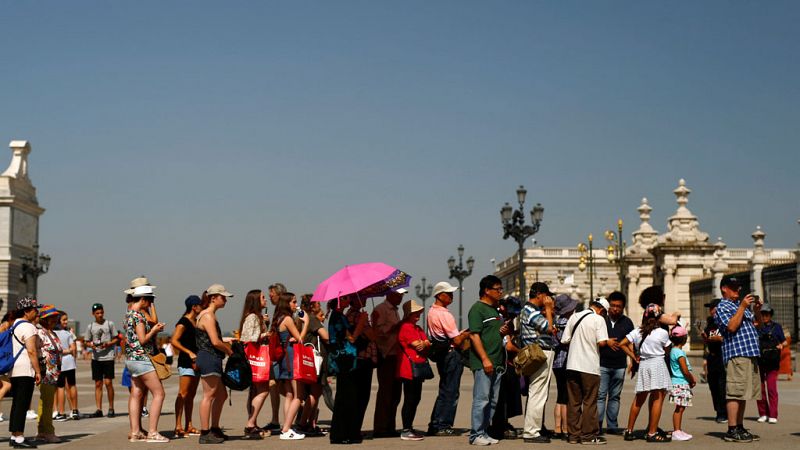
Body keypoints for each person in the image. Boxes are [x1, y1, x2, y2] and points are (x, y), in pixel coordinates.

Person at [714, 276, 762, 443]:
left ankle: (740, 427)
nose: (738, 291)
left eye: (738, 287)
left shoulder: (738, 306)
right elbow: (732, 326)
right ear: (724, 289)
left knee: (743, 393)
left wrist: (756, 310)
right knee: (735, 392)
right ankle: (732, 429)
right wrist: (742, 307)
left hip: (750, 353)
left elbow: (759, 325)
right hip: (736, 353)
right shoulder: (723, 306)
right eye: (733, 288)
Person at [467, 275, 511, 446]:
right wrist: (485, 359)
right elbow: (474, 335)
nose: (500, 292)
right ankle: (475, 434)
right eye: (497, 289)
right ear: (486, 290)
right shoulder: (477, 309)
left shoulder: (494, 310)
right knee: (482, 399)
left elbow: (490, 333)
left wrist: (502, 331)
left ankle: (484, 432)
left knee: (492, 400)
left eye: (501, 289)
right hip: (485, 362)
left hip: (497, 361)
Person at [560, 297, 609, 445]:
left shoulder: (574, 316)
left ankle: (573, 436)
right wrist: (608, 341)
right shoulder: (598, 320)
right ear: (602, 310)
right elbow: (602, 343)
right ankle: (588, 436)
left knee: (573, 402)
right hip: (589, 366)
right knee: (589, 402)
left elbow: (564, 340)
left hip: (572, 365)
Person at [124, 285, 168, 443]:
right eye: (150, 300)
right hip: (142, 359)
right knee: (159, 393)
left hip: (131, 359)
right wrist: (154, 330)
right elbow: (142, 339)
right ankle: (153, 432)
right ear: (142, 299)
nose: (150, 303)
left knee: (136, 394)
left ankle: (135, 432)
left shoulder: (128, 313)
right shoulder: (138, 316)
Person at [426, 281, 468, 437]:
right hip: (451, 354)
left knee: (444, 389)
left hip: (442, 354)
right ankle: (443, 424)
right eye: (448, 293)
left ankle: (435, 423)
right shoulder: (444, 314)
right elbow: (457, 340)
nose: (451, 296)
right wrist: (466, 334)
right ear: (440, 295)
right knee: (451, 391)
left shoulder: (431, 312)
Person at [196, 284, 234, 444]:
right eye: (223, 297)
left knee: (221, 395)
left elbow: (215, 340)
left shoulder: (208, 315)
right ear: (213, 298)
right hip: (209, 357)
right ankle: (205, 433)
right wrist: (230, 351)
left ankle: (215, 428)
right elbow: (215, 341)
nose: (225, 300)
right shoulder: (208, 316)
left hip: (211, 357)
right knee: (208, 396)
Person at [519, 282, 556, 444]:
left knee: (537, 391)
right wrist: (548, 310)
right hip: (540, 351)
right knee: (538, 392)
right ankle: (532, 431)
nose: (548, 299)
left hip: (536, 351)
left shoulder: (528, 311)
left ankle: (534, 427)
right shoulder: (531, 311)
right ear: (540, 295)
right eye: (546, 296)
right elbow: (548, 328)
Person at [272, 292, 310, 440]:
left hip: (284, 358)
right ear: (287, 303)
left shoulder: (279, 318)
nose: (296, 304)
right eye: (293, 302)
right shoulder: (287, 318)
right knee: (298, 395)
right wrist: (305, 322)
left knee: (289, 394)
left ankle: (286, 427)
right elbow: (300, 339)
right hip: (291, 357)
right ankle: (287, 428)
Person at [597, 291, 635, 435]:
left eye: (618, 306)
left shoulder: (627, 322)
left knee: (615, 396)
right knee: (600, 396)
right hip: (602, 364)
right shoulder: (601, 320)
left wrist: (633, 361)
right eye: (612, 305)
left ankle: (612, 425)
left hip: (620, 365)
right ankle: (598, 425)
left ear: (623, 307)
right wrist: (607, 342)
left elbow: (631, 343)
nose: (615, 309)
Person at [394, 300, 430, 441]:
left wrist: (425, 343)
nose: (418, 316)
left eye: (418, 313)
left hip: (416, 367)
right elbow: (418, 345)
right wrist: (424, 343)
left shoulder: (417, 328)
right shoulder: (406, 327)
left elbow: (427, 343)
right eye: (415, 313)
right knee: (410, 398)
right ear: (408, 314)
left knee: (415, 398)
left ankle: (409, 427)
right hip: (408, 368)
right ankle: (406, 429)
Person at [328, 295, 362, 444]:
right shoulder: (338, 317)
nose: (349, 301)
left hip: (344, 360)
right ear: (339, 300)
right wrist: (361, 324)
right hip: (344, 361)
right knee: (346, 396)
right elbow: (351, 338)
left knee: (345, 396)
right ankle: (343, 434)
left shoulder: (338, 315)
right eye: (346, 298)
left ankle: (342, 433)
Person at [237, 289, 270, 439]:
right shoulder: (252, 317)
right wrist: (265, 334)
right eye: (263, 297)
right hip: (255, 357)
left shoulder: (255, 317)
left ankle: (253, 422)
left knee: (255, 391)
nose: (266, 300)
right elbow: (249, 338)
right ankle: (250, 423)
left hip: (252, 357)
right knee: (263, 390)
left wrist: (264, 324)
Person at [9, 298, 42, 449]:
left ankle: (14, 435)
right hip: (25, 370)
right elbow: (31, 351)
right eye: (35, 310)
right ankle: (19, 437)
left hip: (14, 369)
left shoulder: (15, 325)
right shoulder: (28, 327)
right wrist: (38, 371)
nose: (37, 313)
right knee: (22, 404)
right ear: (27, 311)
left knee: (17, 404)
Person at [371, 290, 403, 438]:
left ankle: (390, 425)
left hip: (396, 355)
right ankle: (381, 427)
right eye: (398, 294)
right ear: (390, 294)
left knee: (395, 394)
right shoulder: (381, 309)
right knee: (386, 393)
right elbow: (379, 333)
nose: (401, 297)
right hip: (386, 355)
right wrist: (397, 326)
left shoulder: (395, 311)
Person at [171, 295, 203, 438]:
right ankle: (177, 425)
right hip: (186, 361)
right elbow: (174, 341)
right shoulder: (183, 322)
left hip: (196, 362)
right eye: (200, 305)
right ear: (194, 307)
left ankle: (189, 424)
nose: (201, 307)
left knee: (191, 395)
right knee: (183, 394)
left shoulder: (196, 321)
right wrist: (188, 352)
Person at [345, 295, 377, 438]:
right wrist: (369, 323)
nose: (364, 299)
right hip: (362, 358)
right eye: (361, 297)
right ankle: (354, 429)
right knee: (362, 396)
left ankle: (354, 428)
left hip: (358, 358)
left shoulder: (350, 314)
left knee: (357, 395)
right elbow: (371, 336)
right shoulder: (357, 315)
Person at [298, 295, 329, 436]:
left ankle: (310, 424)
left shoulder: (302, 318)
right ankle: (304, 423)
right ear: (312, 306)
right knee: (315, 393)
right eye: (317, 303)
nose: (319, 305)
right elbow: (325, 336)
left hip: (308, 359)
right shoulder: (312, 319)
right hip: (317, 360)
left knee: (312, 392)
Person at [551, 294, 578, 441]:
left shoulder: (555, 322)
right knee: (566, 397)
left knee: (560, 396)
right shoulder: (568, 323)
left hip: (556, 362)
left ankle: (557, 427)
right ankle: (566, 428)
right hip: (566, 362)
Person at [83, 303, 118, 418]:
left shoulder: (110, 324)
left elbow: (116, 338)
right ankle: (99, 409)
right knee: (98, 383)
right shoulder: (90, 326)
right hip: (96, 358)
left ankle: (111, 407)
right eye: (97, 313)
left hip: (108, 357)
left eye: (101, 312)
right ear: (93, 314)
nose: (100, 315)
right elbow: (87, 341)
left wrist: (109, 343)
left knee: (108, 383)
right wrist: (91, 345)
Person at [35, 305, 63, 443]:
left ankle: (41, 431)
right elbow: (35, 351)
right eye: (51, 318)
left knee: (45, 403)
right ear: (44, 319)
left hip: (53, 373)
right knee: (47, 404)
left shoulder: (52, 332)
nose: (55, 320)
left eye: (55, 317)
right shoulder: (40, 333)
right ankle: (48, 431)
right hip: (46, 373)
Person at [755, 303, 787, 424]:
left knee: (771, 388)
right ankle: (763, 413)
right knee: (760, 390)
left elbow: (784, 342)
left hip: (772, 362)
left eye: (767, 314)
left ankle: (773, 414)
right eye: (762, 314)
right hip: (760, 361)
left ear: (771, 315)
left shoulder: (777, 327)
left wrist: (780, 345)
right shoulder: (757, 327)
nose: (764, 316)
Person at [264, 282, 287, 432]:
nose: (269, 297)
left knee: (279, 386)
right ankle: (275, 419)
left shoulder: (283, 312)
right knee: (275, 385)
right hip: (278, 352)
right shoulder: (278, 311)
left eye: (271, 294)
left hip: (282, 353)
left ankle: (302, 407)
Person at [701, 298, 727, 423]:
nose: (711, 311)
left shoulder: (724, 322)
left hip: (722, 357)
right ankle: (718, 411)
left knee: (723, 386)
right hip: (712, 358)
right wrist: (705, 339)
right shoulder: (709, 323)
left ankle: (724, 412)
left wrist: (720, 338)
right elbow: (706, 343)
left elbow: (729, 338)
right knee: (713, 386)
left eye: (712, 308)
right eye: (710, 309)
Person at [668, 325, 696, 441]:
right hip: (681, 383)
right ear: (684, 339)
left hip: (677, 382)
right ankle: (676, 431)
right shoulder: (679, 353)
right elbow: (684, 370)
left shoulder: (673, 351)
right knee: (679, 408)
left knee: (681, 407)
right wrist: (692, 379)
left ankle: (678, 429)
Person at [53, 312, 79, 421]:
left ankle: (61, 412)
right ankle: (74, 410)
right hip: (70, 362)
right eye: (64, 320)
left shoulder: (52, 334)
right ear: (59, 320)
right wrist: (69, 352)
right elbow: (73, 348)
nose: (66, 322)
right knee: (72, 385)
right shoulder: (68, 333)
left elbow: (54, 350)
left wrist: (61, 351)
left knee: (60, 387)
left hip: (60, 363)